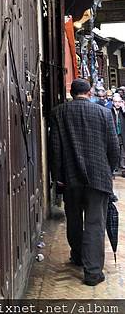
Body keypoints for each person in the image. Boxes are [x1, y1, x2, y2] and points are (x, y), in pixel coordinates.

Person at [49, 78, 119, 286]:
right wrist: (109, 169)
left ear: (71, 93)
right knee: (95, 224)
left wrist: (57, 177)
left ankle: (78, 256)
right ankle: (93, 272)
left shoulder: (58, 113)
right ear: (89, 93)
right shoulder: (104, 113)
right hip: (98, 178)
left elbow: (55, 149)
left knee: (74, 219)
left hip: (70, 178)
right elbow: (113, 148)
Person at [111, 93, 125, 177]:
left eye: (119, 102)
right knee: (113, 151)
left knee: (123, 152)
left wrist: (124, 109)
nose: (117, 103)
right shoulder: (109, 111)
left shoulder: (123, 112)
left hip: (122, 134)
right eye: (115, 101)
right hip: (113, 134)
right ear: (112, 102)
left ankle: (123, 168)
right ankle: (113, 169)